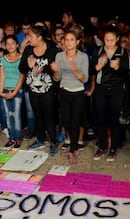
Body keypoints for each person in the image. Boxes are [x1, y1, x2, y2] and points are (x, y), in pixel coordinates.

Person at [87, 24, 130, 162]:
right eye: (106, 40)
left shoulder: (123, 52)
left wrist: (118, 68)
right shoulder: (98, 50)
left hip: (116, 89)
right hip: (101, 89)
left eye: (112, 40)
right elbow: (91, 71)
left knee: (114, 119)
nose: (109, 43)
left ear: (117, 39)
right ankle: (101, 147)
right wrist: (98, 66)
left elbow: (127, 74)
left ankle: (113, 148)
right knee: (101, 119)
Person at [18, 25, 61, 156]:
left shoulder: (52, 50)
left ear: (39, 37)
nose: (28, 38)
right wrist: (28, 65)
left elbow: (57, 69)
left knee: (50, 115)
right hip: (32, 88)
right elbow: (21, 68)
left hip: (48, 89)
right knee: (38, 115)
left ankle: (53, 142)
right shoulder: (28, 50)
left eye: (30, 36)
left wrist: (44, 68)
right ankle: (41, 139)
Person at [52, 30, 89, 164]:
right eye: (66, 40)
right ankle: (72, 147)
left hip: (78, 92)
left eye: (72, 40)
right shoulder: (59, 56)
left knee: (75, 122)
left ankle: (73, 150)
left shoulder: (83, 57)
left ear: (77, 42)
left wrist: (75, 70)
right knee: (66, 122)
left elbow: (84, 79)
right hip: (64, 91)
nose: (68, 42)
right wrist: (55, 70)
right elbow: (57, 78)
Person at [0, 35, 24, 149]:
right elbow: (2, 75)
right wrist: (1, 90)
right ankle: (12, 138)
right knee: (8, 116)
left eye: (12, 43)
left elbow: (22, 77)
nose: (10, 46)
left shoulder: (22, 58)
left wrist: (15, 92)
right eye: (7, 44)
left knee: (16, 115)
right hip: (5, 89)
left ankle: (17, 138)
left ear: (17, 44)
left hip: (17, 90)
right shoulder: (2, 59)